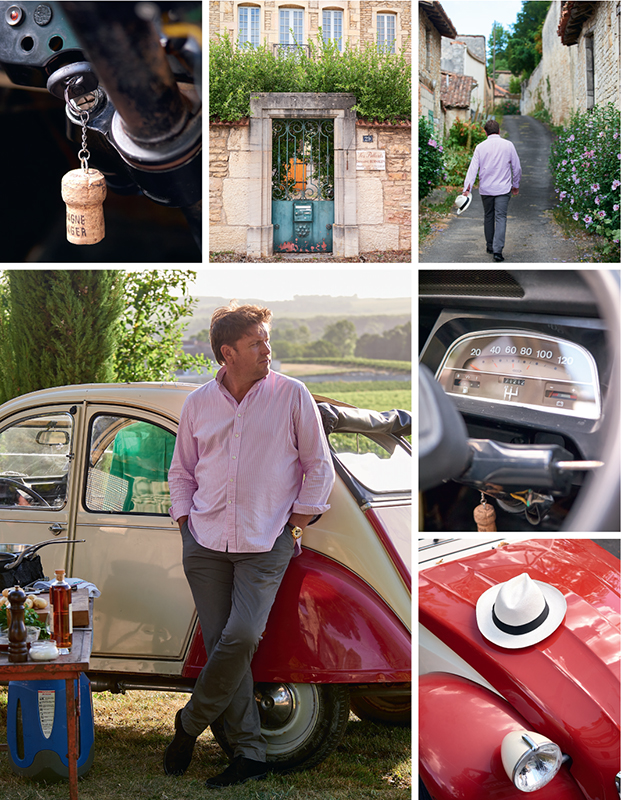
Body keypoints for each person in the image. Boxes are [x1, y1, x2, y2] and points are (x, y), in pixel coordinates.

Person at [164, 302, 335, 788]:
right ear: (228, 352)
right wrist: (184, 525)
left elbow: (317, 466)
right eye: (257, 342)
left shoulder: (292, 395)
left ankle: (188, 723)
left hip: (267, 541)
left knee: (240, 638)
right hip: (204, 540)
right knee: (224, 645)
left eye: (267, 339)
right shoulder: (198, 403)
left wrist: (295, 526)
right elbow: (181, 471)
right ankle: (250, 754)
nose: (268, 349)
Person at [463, 119, 522, 262]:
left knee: (488, 216)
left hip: (486, 189)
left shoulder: (480, 147)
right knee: (500, 217)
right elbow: (517, 167)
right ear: (499, 131)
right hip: (503, 189)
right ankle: (497, 251)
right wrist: (516, 184)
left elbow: (473, 168)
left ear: (485, 132)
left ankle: (490, 245)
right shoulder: (508, 145)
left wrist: (467, 188)